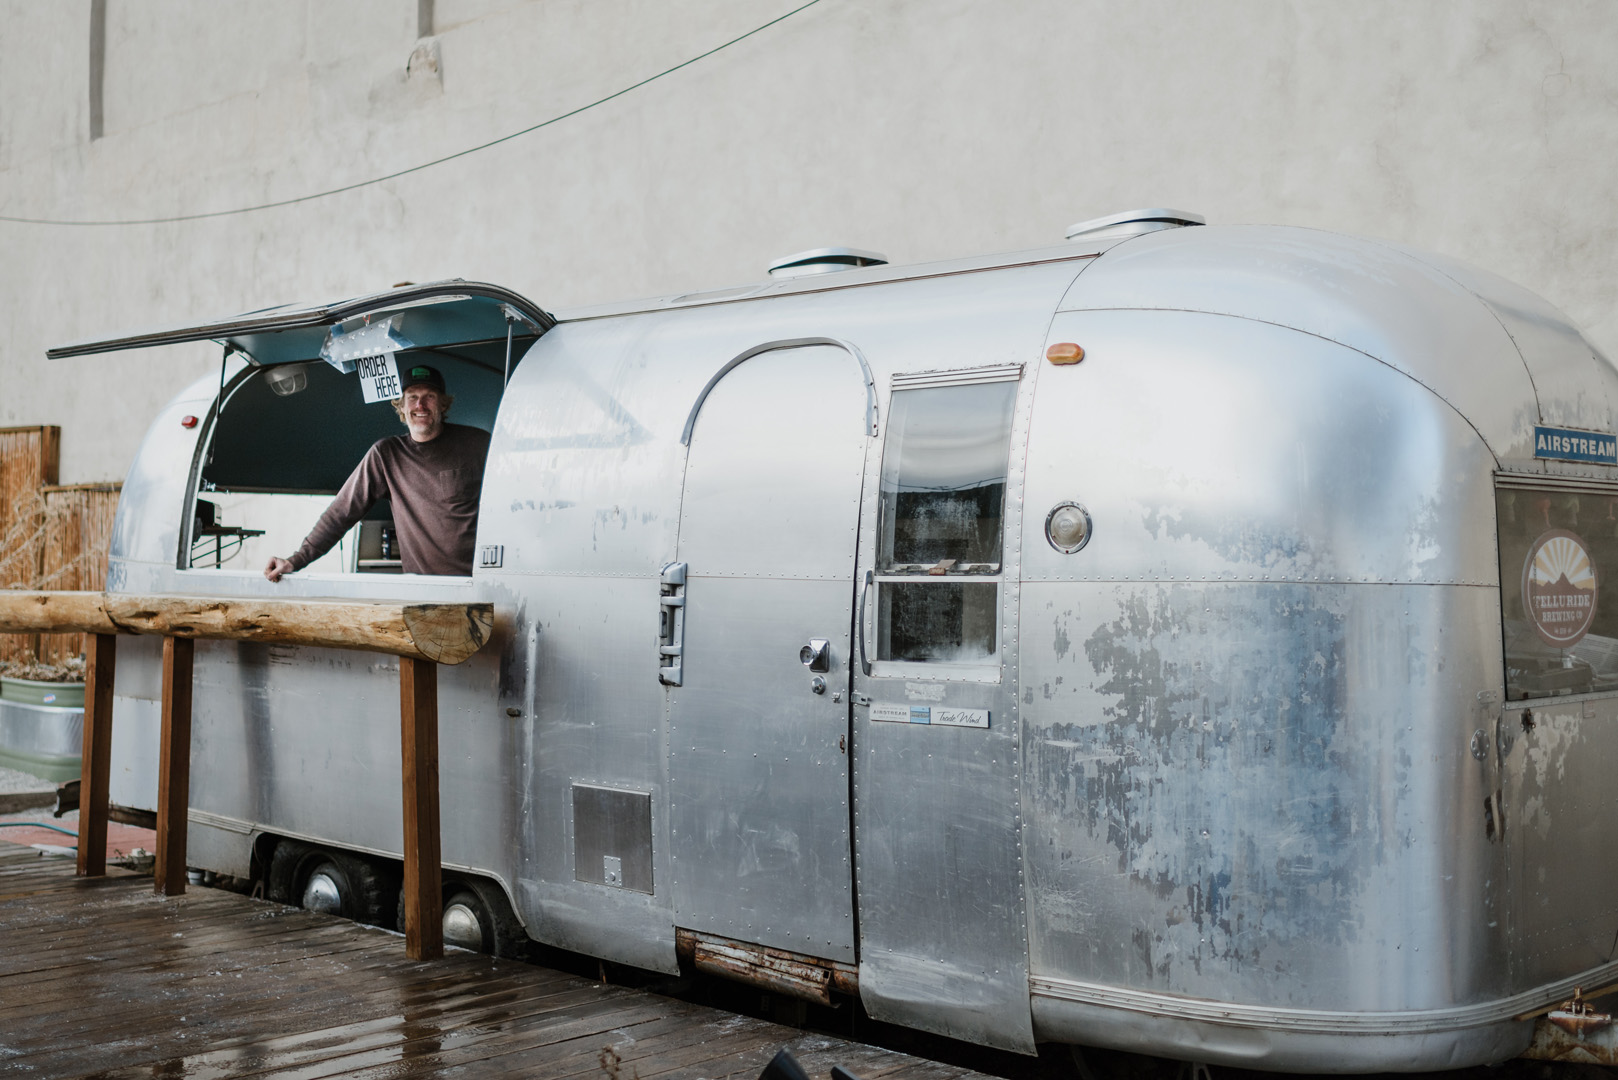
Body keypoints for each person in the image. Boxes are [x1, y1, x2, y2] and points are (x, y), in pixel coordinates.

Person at [264, 363, 490, 580]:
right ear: (402, 406)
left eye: (429, 396)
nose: (420, 405)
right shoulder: (387, 455)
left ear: (443, 404)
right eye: (412, 397)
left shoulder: (478, 444)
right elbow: (341, 512)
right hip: (422, 589)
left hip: (482, 582)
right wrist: (295, 560)